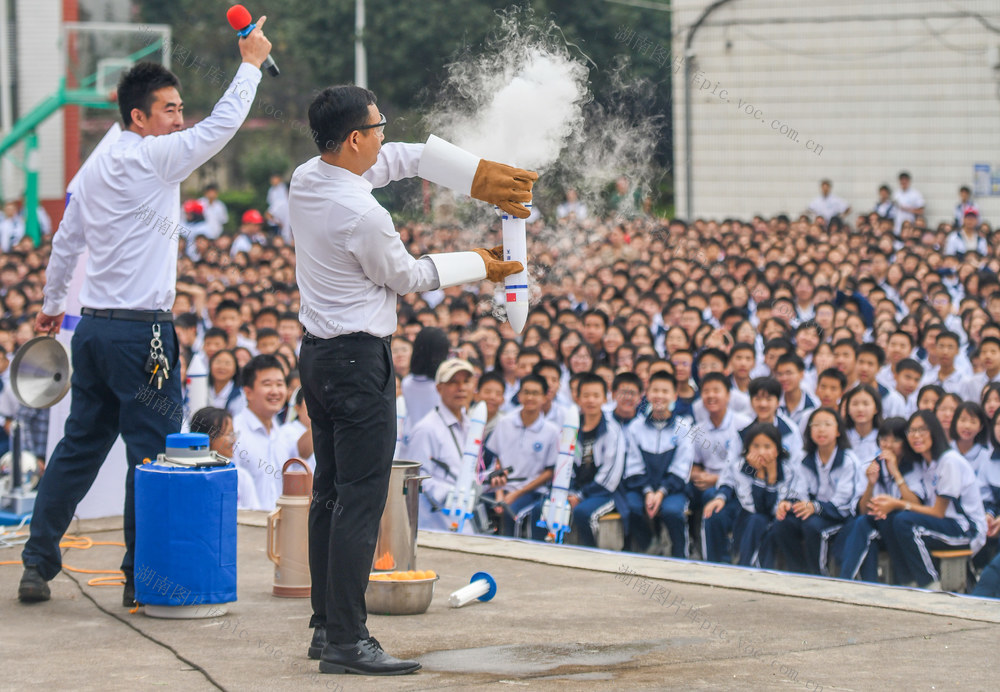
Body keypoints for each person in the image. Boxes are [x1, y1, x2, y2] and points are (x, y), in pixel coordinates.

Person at [17, 22, 272, 606]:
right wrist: (251, 62)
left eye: (181, 109)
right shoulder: (153, 158)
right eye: (170, 110)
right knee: (152, 458)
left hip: (93, 331)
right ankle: (142, 579)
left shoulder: (95, 166)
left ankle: (37, 563)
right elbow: (223, 126)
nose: (180, 120)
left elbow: (64, 244)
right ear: (139, 117)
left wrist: (52, 308)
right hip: (143, 336)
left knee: (79, 447)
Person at [289, 84, 535, 675]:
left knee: (330, 493)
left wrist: (472, 173)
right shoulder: (362, 213)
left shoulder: (308, 176)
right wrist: (480, 263)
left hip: (319, 357)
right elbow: (405, 277)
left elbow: (393, 157)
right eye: (376, 127)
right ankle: (349, 640)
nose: (383, 134)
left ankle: (327, 626)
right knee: (361, 500)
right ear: (353, 139)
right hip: (356, 361)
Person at [879, 411, 988, 589]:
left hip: (966, 529)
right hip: (944, 524)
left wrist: (898, 504)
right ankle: (907, 582)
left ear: (935, 431)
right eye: (911, 431)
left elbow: (938, 512)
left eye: (922, 430)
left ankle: (930, 584)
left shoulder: (949, 461)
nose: (916, 436)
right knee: (891, 521)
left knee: (905, 522)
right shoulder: (926, 463)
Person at [771, 407, 862, 575]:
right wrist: (788, 503)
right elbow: (797, 490)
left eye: (827, 424)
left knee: (813, 526)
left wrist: (816, 507)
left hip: (839, 517)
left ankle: (819, 577)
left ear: (838, 431)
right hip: (811, 512)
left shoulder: (848, 461)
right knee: (782, 524)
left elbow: (845, 504)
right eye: (816, 425)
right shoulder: (804, 458)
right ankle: (798, 572)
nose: (821, 429)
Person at [838, 417, 924, 583]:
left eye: (896, 440)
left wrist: (896, 473)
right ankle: (861, 583)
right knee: (863, 524)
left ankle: (847, 580)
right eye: (884, 439)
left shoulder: (914, 466)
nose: (888, 445)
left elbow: (915, 504)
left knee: (867, 525)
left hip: (904, 527)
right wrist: (870, 485)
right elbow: (863, 509)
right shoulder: (872, 466)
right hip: (878, 525)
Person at [703, 422, 796, 566]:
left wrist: (771, 477)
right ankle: (716, 564)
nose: (761, 452)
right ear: (747, 449)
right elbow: (751, 505)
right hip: (748, 513)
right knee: (715, 514)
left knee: (759, 522)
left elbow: (774, 508)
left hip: (775, 519)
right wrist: (759, 475)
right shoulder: (740, 467)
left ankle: (745, 566)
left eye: (767, 446)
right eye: (755, 446)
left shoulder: (788, 471)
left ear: (777, 450)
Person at [622, 371, 694, 557]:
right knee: (631, 507)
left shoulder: (683, 426)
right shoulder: (635, 427)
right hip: (641, 487)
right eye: (655, 390)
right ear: (647, 394)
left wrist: (661, 492)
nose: (660, 395)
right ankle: (649, 545)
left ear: (674, 396)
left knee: (672, 511)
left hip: (672, 489)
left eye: (665, 391)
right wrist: (647, 492)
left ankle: (681, 557)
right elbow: (633, 465)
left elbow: (682, 467)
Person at [482, 374, 559, 539]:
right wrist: (500, 493)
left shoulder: (551, 431)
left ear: (545, 397)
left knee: (513, 515)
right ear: (519, 395)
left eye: (536, 393)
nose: (530, 397)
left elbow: (549, 472)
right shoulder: (505, 423)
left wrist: (516, 494)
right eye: (526, 392)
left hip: (532, 491)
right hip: (502, 486)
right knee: (477, 505)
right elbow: (497, 460)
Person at [568, 372, 628, 547]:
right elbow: (566, 464)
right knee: (545, 506)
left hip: (604, 493)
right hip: (576, 491)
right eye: (586, 395)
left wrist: (580, 496)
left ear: (605, 398)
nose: (591, 400)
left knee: (583, 513)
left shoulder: (613, 430)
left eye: (596, 395)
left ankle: (592, 557)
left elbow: (611, 475)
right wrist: (571, 492)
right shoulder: (572, 428)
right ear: (577, 398)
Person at [231, 354, 288, 510]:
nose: (275, 391)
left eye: (280, 384)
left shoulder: (283, 435)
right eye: (267, 384)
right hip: (250, 528)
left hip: (280, 528)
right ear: (248, 392)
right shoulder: (235, 433)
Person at [189, 406, 259, 510]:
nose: (234, 440)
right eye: (228, 434)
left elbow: (254, 515)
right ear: (208, 438)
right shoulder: (188, 475)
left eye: (233, 434)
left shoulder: (241, 476)